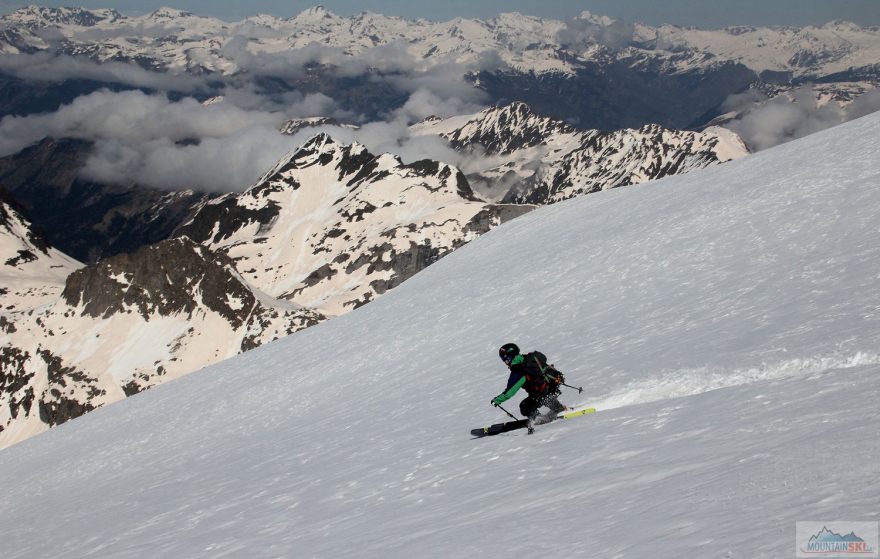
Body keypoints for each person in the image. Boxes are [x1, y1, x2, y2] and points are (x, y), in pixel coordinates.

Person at [491, 342, 567, 433]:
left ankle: (539, 418)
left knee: (525, 406)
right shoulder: (528, 359)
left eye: (505, 358)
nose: (504, 362)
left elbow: (509, 392)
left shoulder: (519, 371)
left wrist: (497, 400)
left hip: (542, 394)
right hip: (552, 387)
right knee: (542, 396)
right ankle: (558, 408)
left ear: (510, 357)